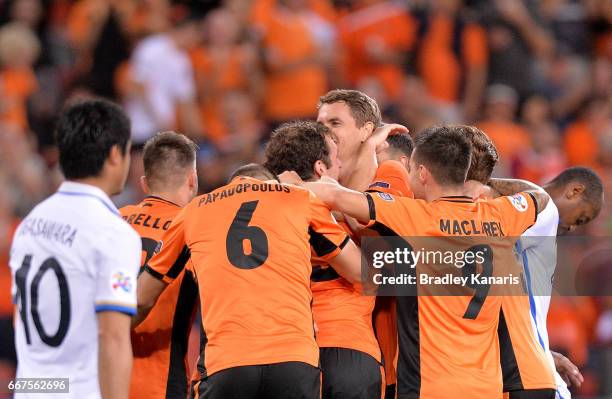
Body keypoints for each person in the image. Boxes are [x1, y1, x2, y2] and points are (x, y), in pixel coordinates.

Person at [281, 125, 550, 399]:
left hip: (428, 387)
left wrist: (283, 184)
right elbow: (540, 198)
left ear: (422, 174)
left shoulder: (413, 217)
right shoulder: (499, 215)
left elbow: (335, 196)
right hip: (486, 388)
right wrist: (489, 185)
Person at [135, 152, 365, 399]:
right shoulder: (300, 198)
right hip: (294, 359)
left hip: (227, 363)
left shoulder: (194, 211)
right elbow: (362, 272)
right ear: (270, 183)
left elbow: (142, 298)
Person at [9, 99, 140, 399]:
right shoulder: (112, 232)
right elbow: (114, 338)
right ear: (115, 154)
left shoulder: (30, 224)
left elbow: (21, 318)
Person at [264, 121, 384, 398]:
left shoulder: (257, 208)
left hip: (281, 351)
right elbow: (367, 276)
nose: (340, 168)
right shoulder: (315, 209)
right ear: (320, 168)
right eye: (337, 161)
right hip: (343, 345)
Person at [479, 167, 603, 399]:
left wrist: (544, 351)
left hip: (527, 366)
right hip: (534, 375)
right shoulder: (546, 212)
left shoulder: (538, 222)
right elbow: (537, 197)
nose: (574, 227)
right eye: (581, 217)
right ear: (575, 190)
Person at [119, 131, 199, 399]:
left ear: (144, 183)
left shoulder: (114, 219)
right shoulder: (194, 230)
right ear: (192, 180)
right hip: (161, 380)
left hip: (106, 377)